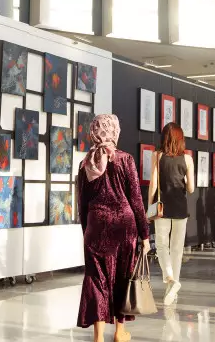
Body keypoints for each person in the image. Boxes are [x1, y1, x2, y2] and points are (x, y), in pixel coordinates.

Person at [77, 114, 150, 342]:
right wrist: (145, 234)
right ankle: (119, 332)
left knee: (96, 279)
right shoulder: (125, 159)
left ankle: (98, 336)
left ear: (93, 132)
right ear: (115, 131)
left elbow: (82, 203)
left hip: (96, 226)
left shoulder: (85, 163)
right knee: (123, 276)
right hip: (124, 226)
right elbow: (136, 199)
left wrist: (86, 231)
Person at [147, 123, 194, 306]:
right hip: (181, 207)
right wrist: (183, 178)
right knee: (176, 248)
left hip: (162, 208)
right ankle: (172, 289)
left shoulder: (157, 156)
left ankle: (170, 279)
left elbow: (153, 184)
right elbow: (191, 188)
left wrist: (148, 206)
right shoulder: (187, 159)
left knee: (161, 245)